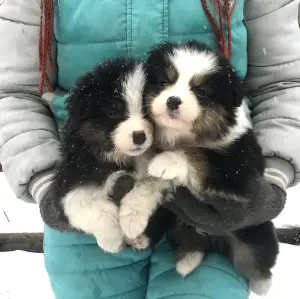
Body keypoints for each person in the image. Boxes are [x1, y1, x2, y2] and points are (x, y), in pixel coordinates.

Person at [0, 0, 299, 298]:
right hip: (92, 190)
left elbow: (284, 82)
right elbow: (13, 92)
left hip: (213, 205)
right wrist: (48, 182)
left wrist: (271, 177)